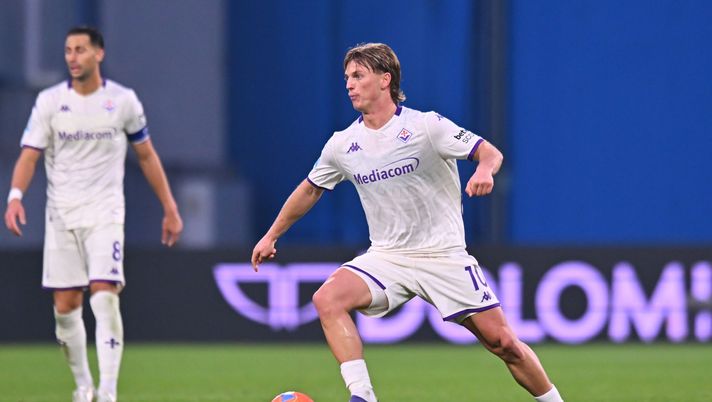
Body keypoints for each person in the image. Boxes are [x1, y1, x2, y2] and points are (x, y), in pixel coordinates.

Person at [252, 43, 563, 402]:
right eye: (347, 77)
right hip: (387, 256)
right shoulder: (342, 145)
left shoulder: (426, 126)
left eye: (358, 76)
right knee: (327, 299)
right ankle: (363, 396)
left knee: (504, 343)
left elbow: (490, 152)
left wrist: (483, 170)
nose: (349, 85)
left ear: (385, 79)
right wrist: (271, 235)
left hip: (442, 254)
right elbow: (310, 189)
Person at [4, 26, 183, 402]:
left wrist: (169, 206)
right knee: (66, 308)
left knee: (104, 295)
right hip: (61, 216)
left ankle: (109, 390)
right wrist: (15, 197)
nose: (73, 57)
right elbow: (29, 156)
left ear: (98, 54)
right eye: (68, 50)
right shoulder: (50, 102)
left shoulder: (122, 101)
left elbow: (146, 155)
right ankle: (84, 386)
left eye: (80, 50)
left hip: (106, 214)